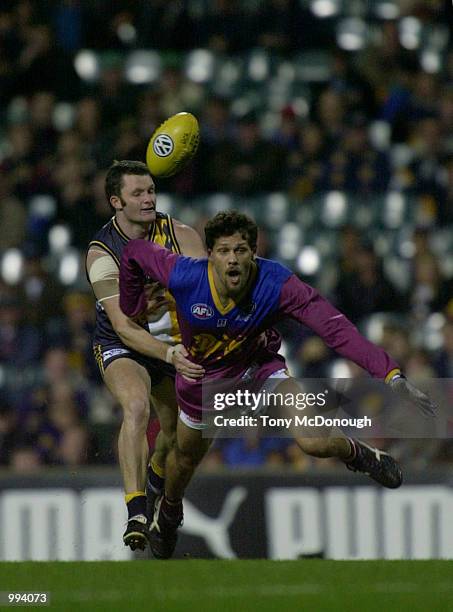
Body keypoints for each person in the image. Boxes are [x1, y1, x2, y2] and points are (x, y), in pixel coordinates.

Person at [119, 210, 436, 559]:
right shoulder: (185, 276)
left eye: (240, 250)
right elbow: (134, 251)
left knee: (314, 442)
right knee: (183, 461)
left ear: (253, 253)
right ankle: (169, 512)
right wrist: (133, 307)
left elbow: (335, 328)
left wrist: (389, 373)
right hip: (203, 382)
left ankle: (360, 454)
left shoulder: (277, 283)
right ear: (209, 255)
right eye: (223, 251)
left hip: (260, 371)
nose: (232, 260)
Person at [86, 160, 205, 551]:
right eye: (138, 193)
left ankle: (155, 482)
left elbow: (209, 296)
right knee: (136, 407)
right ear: (115, 201)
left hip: (173, 343)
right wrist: (170, 355)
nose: (148, 198)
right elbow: (123, 325)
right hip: (124, 344)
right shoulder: (102, 253)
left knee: (176, 437)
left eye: (151, 190)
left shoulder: (181, 235)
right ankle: (136, 510)